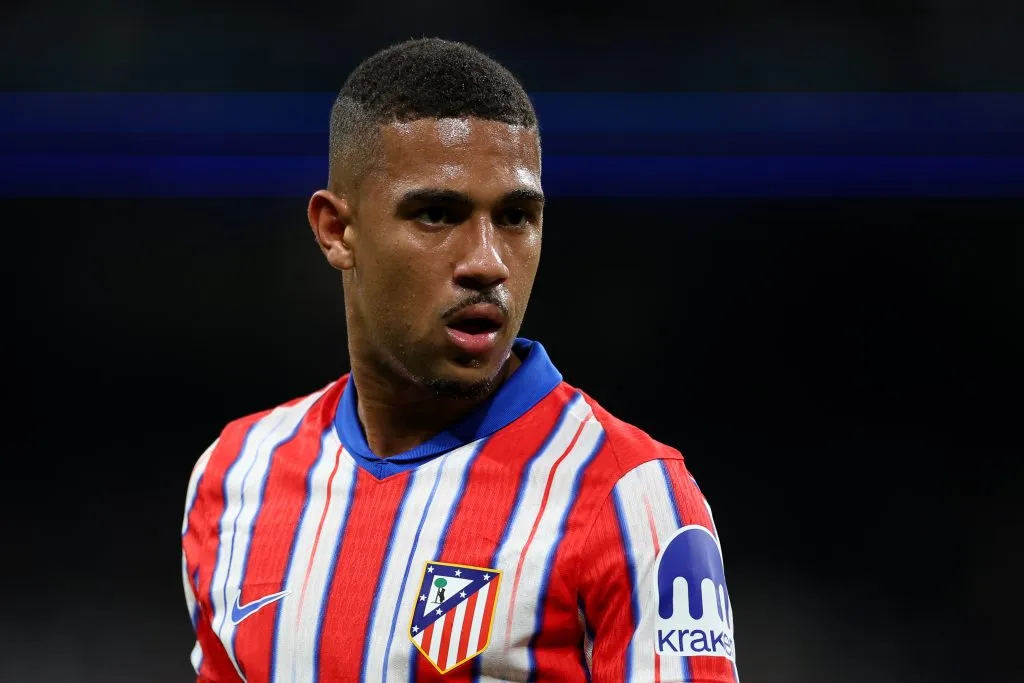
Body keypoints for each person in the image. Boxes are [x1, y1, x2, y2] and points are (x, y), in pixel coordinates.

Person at [181, 37, 740, 683]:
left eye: (515, 216)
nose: (486, 262)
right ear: (337, 230)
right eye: (438, 213)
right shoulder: (236, 473)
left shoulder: (632, 496)